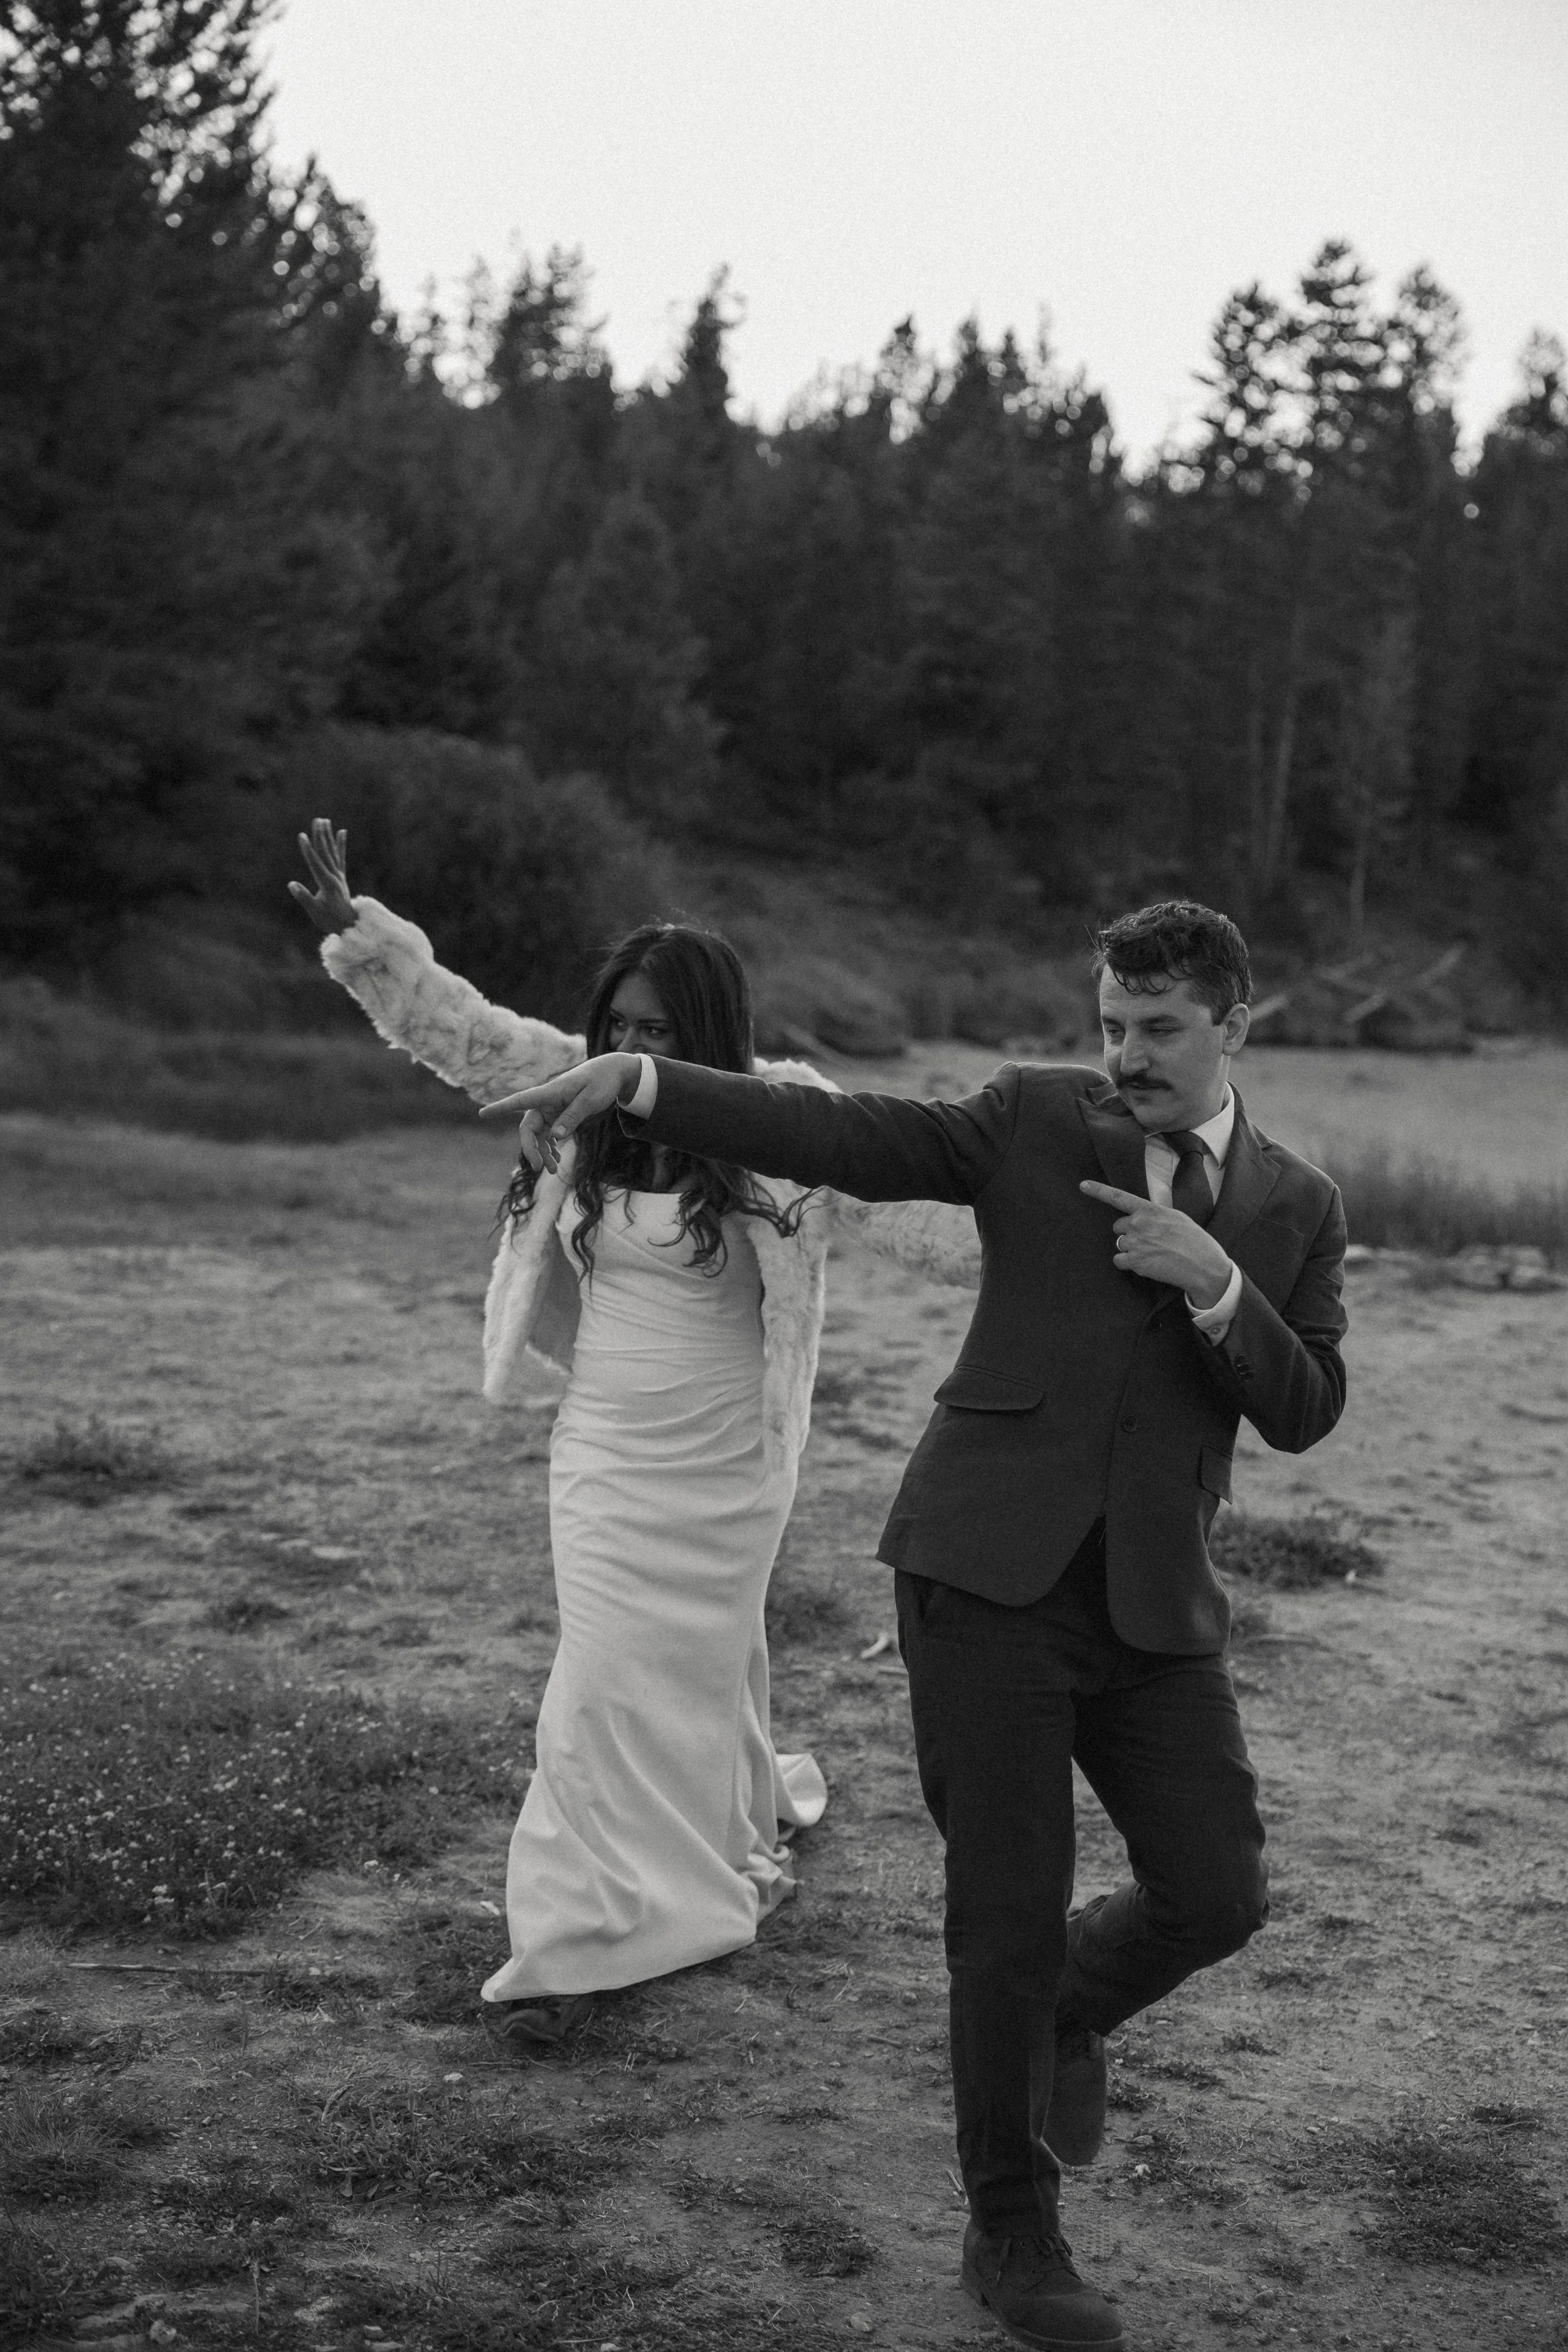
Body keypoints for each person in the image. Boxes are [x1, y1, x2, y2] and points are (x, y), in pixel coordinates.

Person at [491, 900, 1348, 2352]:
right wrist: (642, 1081)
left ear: (1233, 1027)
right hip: (979, 1578)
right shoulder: (1026, 1120)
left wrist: (1216, 1288)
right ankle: (1010, 2233)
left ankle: (1063, 2014)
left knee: (1216, 1893)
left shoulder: (1294, 1201)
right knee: (1000, 1917)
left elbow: (1306, 1406)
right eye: (1110, 1026)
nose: (1125, 1055)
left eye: (1158, 1030)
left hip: (1152, 1604)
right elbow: (846, 1139)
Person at [289, 820, 980, 2046]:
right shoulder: (583, 1088)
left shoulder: (787, 1120)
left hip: (727, 1455)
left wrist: (1088, 1225)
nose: (630, 1047)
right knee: (602, 1673)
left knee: (696, 1665)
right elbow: (469, 1035)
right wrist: (366, 939)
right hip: (605, 1440)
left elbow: (930, 1216)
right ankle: (585, 1916)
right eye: (620, 1024)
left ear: (705, 1032)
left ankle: (696, 1852)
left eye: (659, 1030)